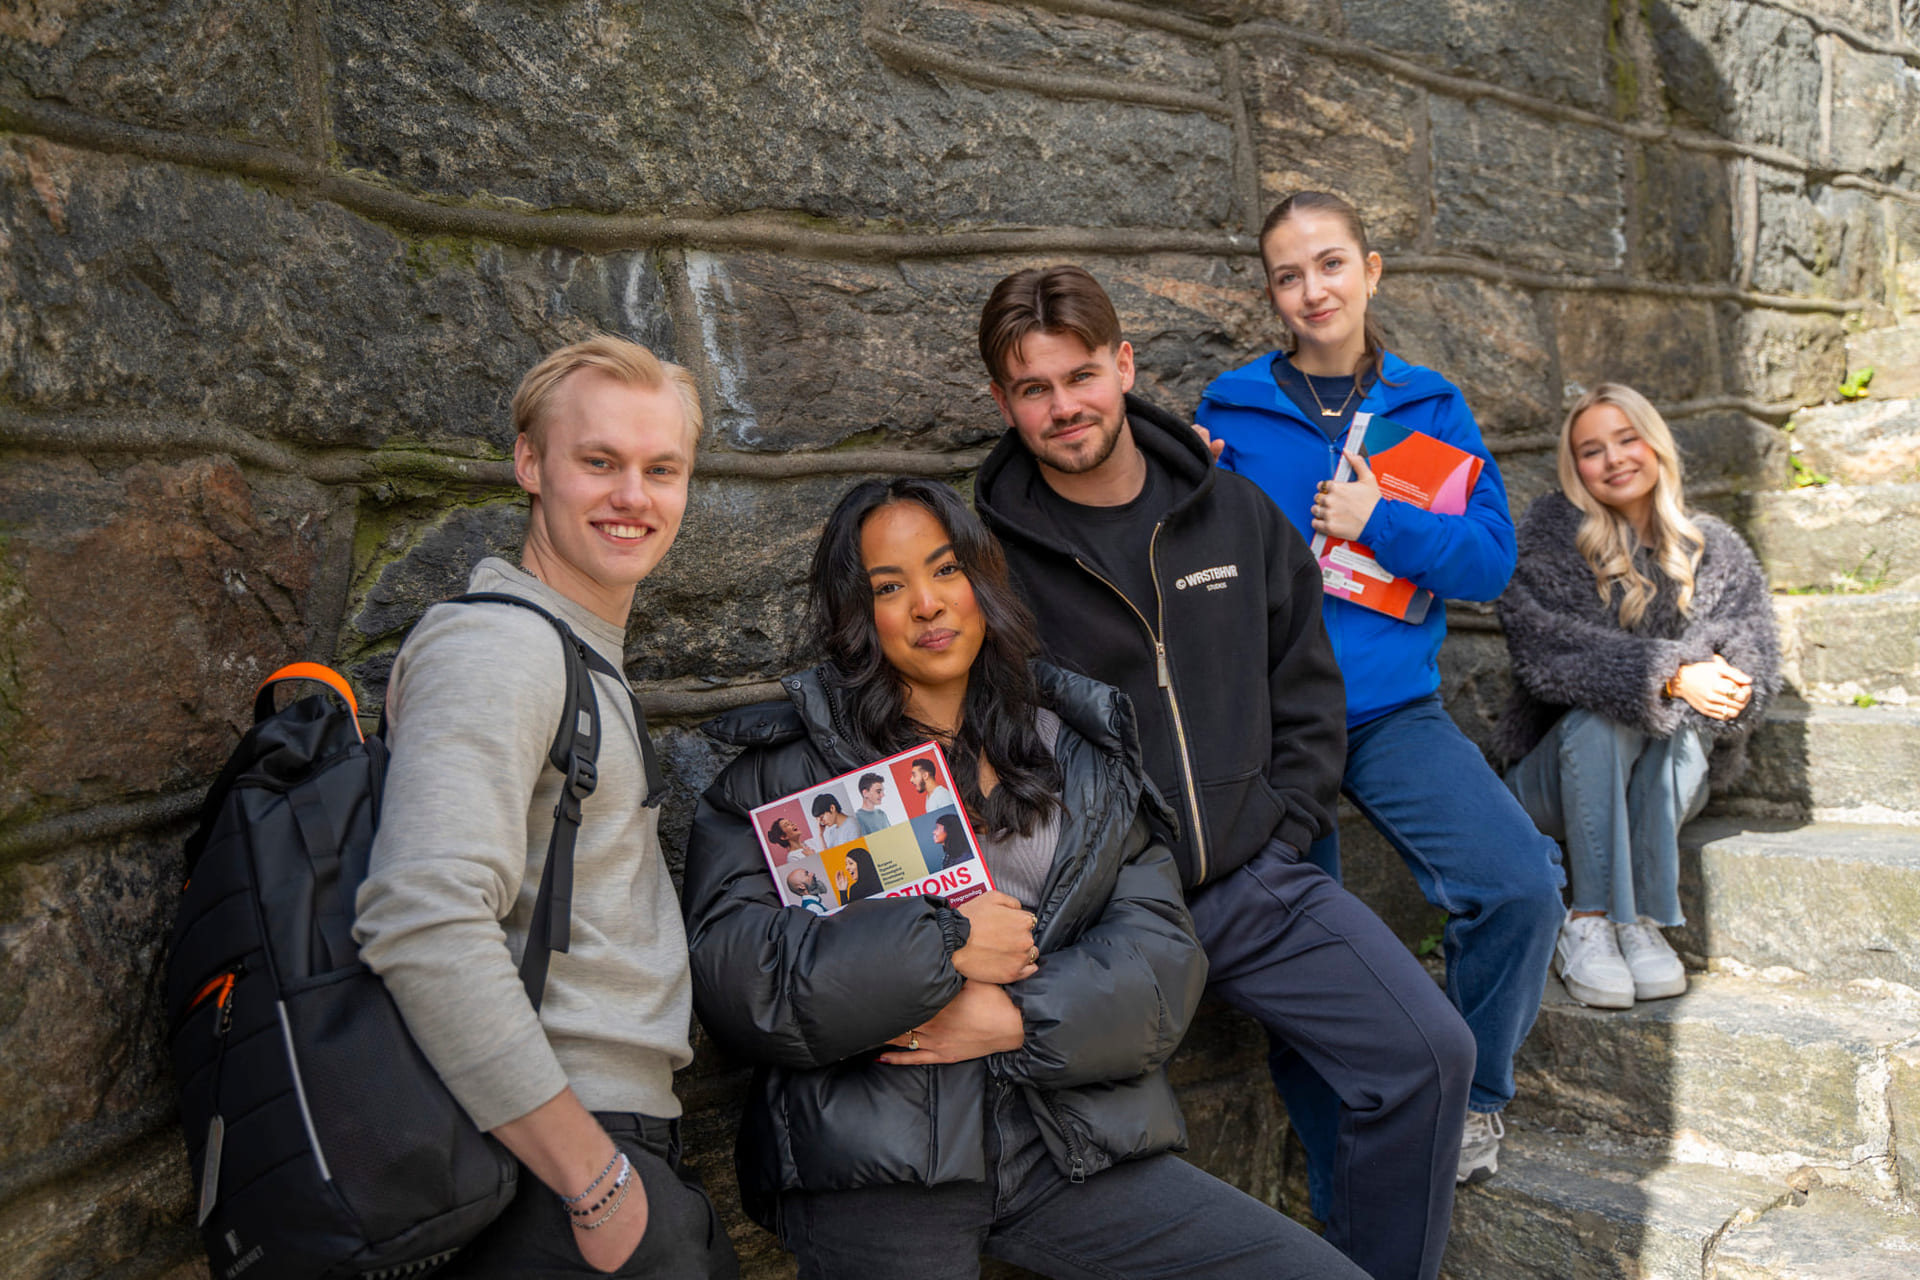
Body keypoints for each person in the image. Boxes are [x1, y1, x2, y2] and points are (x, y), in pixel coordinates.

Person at [682, 478, 1368, 1280]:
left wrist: (1017, 1018)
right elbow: (736, 973)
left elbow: (1161, 962)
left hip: (1066, 1141)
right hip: (878, 1159)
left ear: (982, 581)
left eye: (945, 572)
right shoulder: (782, 776)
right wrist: (945, 946)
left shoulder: (1076, 750)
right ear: (855, 615)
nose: (928, 605)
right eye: (889, 587)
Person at [973, 265, 1473, 1280]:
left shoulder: (1234, 512)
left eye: (1080, 376)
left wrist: (1280, 821)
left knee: (1429, 1055)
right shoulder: (987, 560)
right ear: (1004, 400)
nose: (1063, 406)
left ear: (1124, 366)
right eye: (1034, 388)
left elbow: (1305, 681)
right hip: (1101, 913)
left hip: (1250, 878)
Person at [1194, 191, 1567, 1190]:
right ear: (1270, 292)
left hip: (1394, 712)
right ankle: (1345, 1176)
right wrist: (1186, 485)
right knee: (1299, 964)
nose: (1312, 288)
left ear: (1371, 269)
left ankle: (1476, 1098)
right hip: (1272, 728)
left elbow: (1489, 563)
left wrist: (1378, 520)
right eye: (1287, 273)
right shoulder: (1227, 410)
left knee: (1520, 884)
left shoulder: (1431, 402)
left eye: (1329, 263)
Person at [355, 335, 737, 1278]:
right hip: (552, 1167)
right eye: (598, 462)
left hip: (595, 1152)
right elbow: (422, 915)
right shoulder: (500, 652)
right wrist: (594, 1182)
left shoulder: (572, 653)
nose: (632, 498)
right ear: (530, 463)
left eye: (662, 469)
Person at [1497, 383, 1780, 1008]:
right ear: (1577, 471)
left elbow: (1749, 653)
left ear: (1656, 445)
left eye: (1628, 439)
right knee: (1604, 720)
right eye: (1593, 450)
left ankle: (1639, 921)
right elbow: (1549, 652)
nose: (1616, 458)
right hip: (1554, 781)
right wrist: (1675, 675)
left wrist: (1724, 686)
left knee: (1681, 725)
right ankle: (1590, 919)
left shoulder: (1714, 548)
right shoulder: (1555, 534)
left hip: (1669, 776)